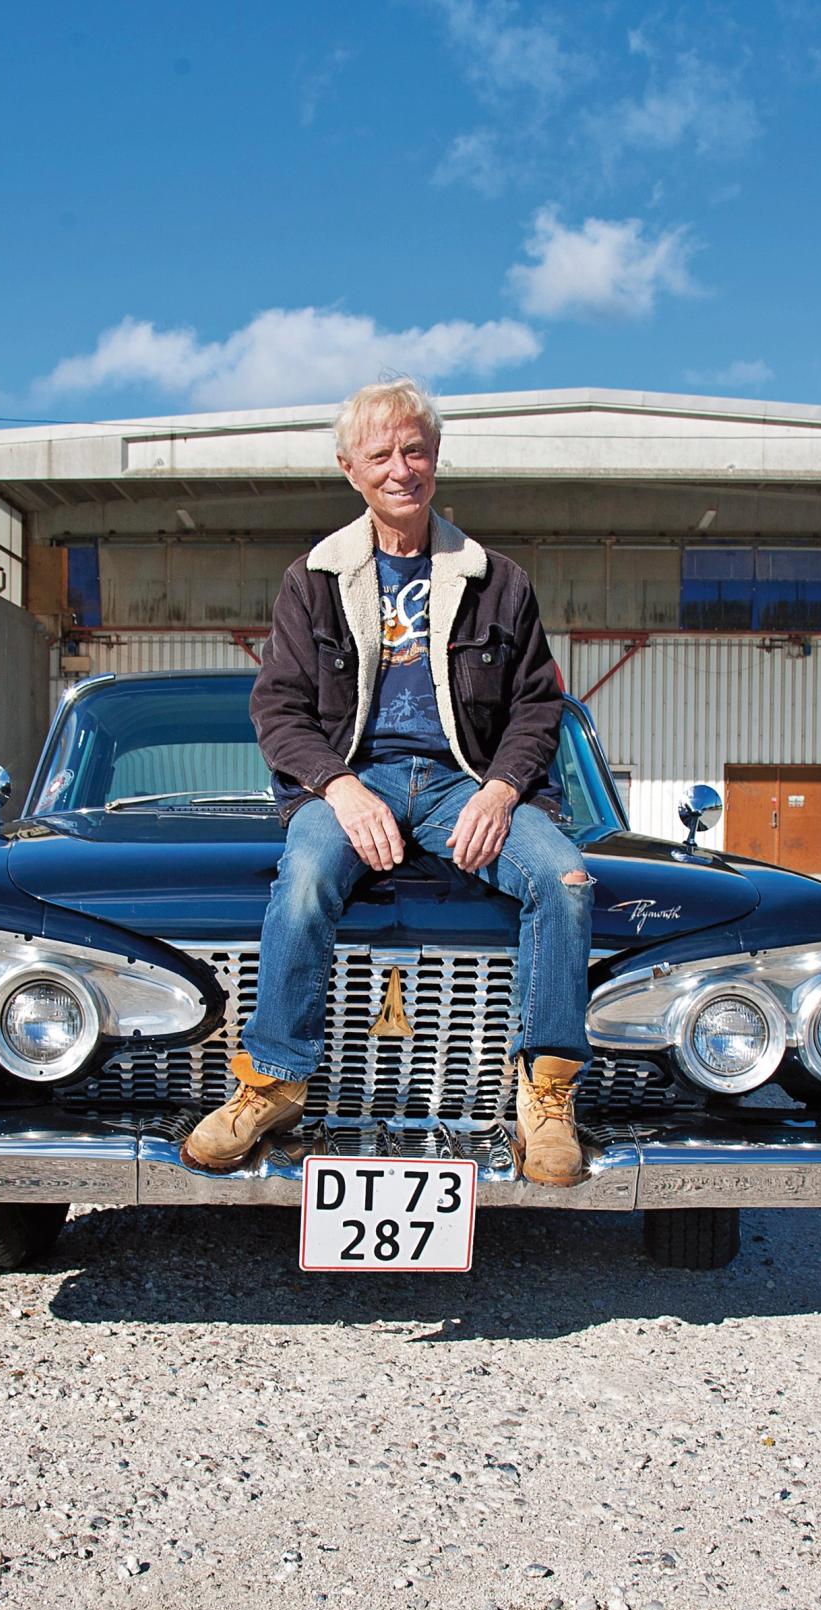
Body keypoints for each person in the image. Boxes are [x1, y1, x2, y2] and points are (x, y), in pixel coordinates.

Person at [183, 378, 593, 1185]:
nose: (401, 468)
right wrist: (338, 786)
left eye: (415, 450)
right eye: (380, 455)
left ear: (436, 457)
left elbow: (537, 706)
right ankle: (273, 1082)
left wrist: (501, 790)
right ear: (350, 469)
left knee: (566, 877)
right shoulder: (313, 578)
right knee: (304, 875)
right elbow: (279, 708)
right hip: (353, 780)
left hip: (460, 782)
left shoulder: (497, 580)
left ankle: (545, 1098)